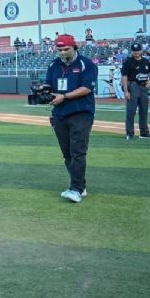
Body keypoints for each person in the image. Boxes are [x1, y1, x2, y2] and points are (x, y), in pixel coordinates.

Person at [45, 34, 97, 203]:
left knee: (78, 152)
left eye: (66, 49)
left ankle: (75, 189)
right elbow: (49, 84)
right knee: (67, 154)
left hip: (80, 113)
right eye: (59, 49)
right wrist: (44, 91)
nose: (62, 52)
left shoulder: (86, 64)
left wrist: (64, 96)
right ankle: (80, 186)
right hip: (60, 114)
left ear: (75, 47)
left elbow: (86, 88)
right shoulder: (54, 65)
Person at [121, 43, 150, 140]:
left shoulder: (146, 61)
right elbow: (124, 77)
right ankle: (130, 133)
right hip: (133, 87)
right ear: (132, 51)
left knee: (144, 111)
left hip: (144, 88)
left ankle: (144, 132)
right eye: (134, 51)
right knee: (131, 112)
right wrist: (126, 91)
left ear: (141, 51)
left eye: (137, 51)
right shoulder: (128, 62)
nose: (136, 53)